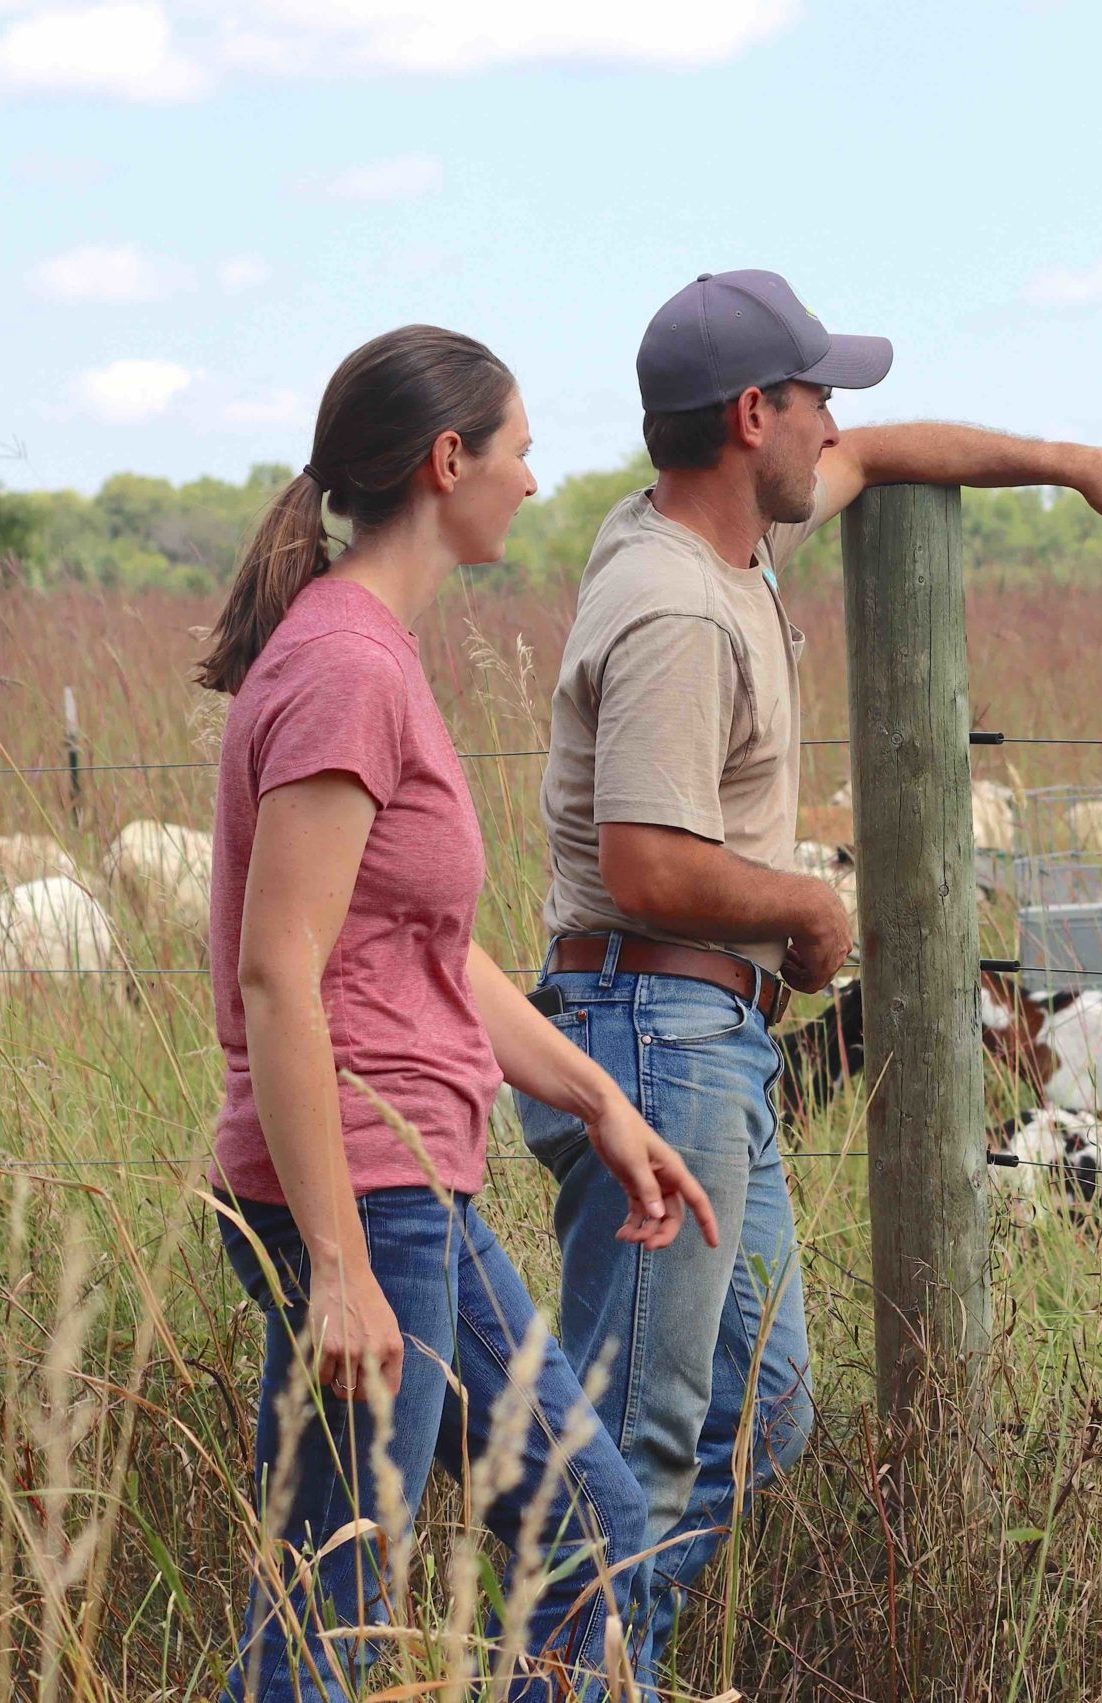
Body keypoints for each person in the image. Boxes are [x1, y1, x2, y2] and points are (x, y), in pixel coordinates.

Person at [518, 267, 1102, 1682]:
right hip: (656, 1036)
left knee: (759, 1413)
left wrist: (1080, 468)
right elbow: (650, 863)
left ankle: (580, 1653)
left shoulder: (705, 530)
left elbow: (888, 456)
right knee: (646, 1440)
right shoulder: (677, 606)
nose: (836, 419)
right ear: (750, 415)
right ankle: (569, 1670)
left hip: (700, 1037)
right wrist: (807, 913)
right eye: (816, 395)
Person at [198, 324, 720, 1702]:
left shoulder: (365, 652)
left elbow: (430, 949)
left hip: (411, 1180)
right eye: (523, 451)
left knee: (592, 1531)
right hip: (362, 1193)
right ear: (448, 462)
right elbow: (278, 973)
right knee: (334, 1607)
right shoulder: (346, 669)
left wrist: (599, 1100)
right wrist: (338, 1265)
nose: (535, 482)